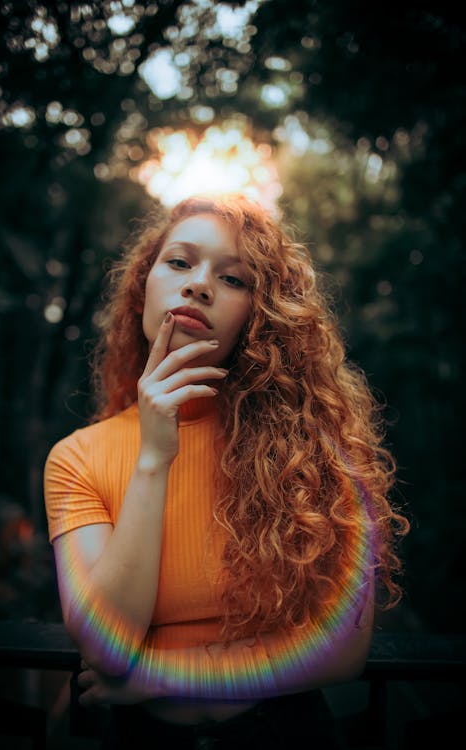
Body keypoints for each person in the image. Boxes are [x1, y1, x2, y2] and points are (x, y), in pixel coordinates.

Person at [44, 194, 409, 749]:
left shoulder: (312, 451)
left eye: (234, 279)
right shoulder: (76, 458)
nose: (198, 285)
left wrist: (158, 677)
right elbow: (105, 648)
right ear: (145, 285)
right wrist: (153, 458)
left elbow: (342, 651)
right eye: (179, 262)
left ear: (259, 317)